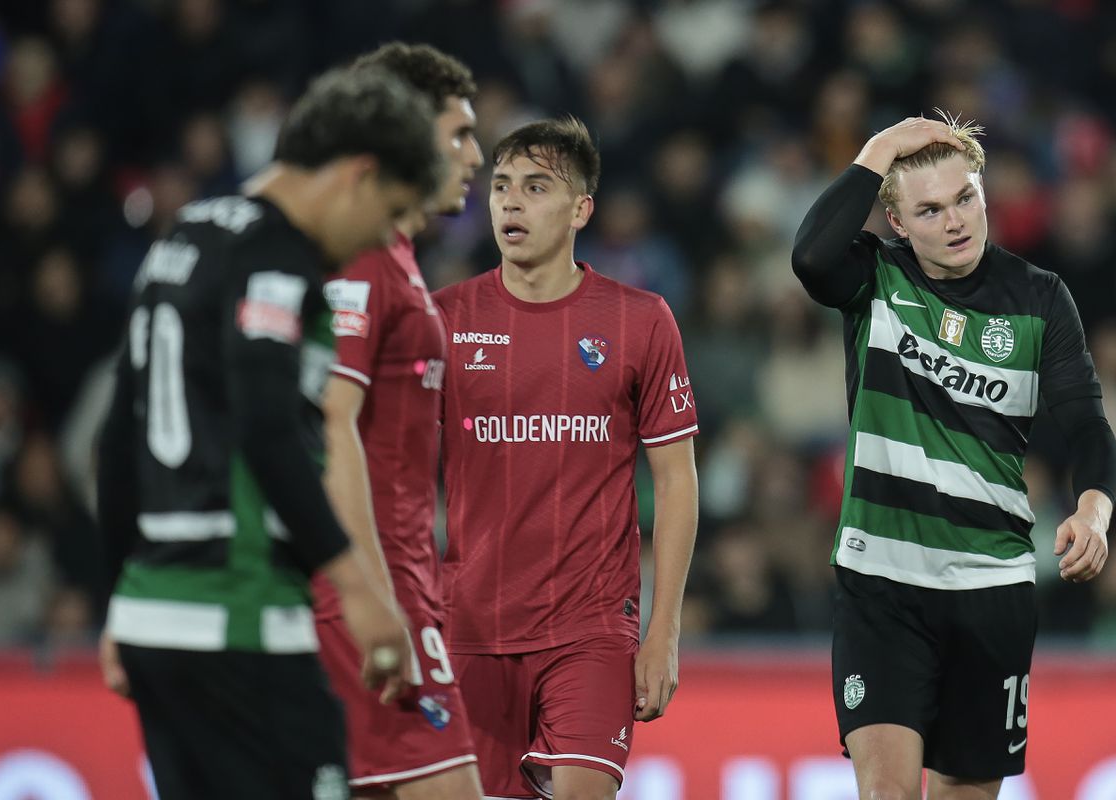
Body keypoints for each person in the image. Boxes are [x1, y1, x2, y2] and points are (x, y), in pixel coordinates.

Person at [95, 67, 442, 800]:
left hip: (156, 614)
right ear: (359, 174)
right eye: (390, 213)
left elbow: (115, 441)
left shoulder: (180, 239)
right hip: (241, 611)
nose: (376, 240)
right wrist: (361, 590)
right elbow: (267, 428)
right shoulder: (275, 256)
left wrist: (119, 601)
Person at [791, 113, 1116, 800]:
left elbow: (1087, 423)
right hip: (880, 581)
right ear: (898, 224)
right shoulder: (873, 278)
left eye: (965, 197)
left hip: (990, 586)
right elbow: (811, 259)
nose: (955, 220)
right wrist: (879, 148)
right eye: (929, 210)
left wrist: (1094, 510)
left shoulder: (1039, 297)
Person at [432, 117, 700, 800]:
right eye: (500, 187)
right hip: (470, 626)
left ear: (581, 209)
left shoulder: (639, 320)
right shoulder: (443, 320)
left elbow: (675, 480)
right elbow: (392, 476)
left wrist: (663, 632)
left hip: (591, 628)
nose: (511, 203)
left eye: (535, 187)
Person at [310, 42, 484, 799]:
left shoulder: (399, 259)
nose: (476, 156)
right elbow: (330, 420)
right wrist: (371, 596)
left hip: (397, 584)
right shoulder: (363, 262)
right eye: (458, 135)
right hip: (374, 593)